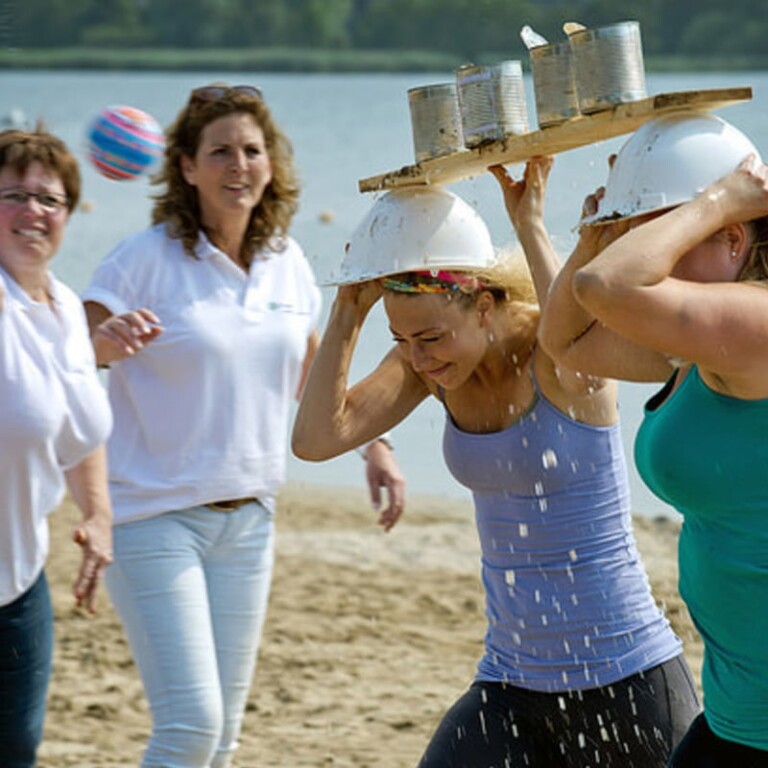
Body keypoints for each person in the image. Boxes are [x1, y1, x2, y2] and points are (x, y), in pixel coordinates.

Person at [292, 165, 700, 767]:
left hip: (626, 672)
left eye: (429, 337)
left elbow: (580, 327)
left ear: (483, 306)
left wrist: (530, 224)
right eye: (401, 340)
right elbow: (318, 439)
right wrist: (350, 310)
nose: (417, 357)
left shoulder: (560, 358)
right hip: (512, 682)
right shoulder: (430, 367)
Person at [81, 84, 404, 768]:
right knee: (190, 727)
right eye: (220, 150)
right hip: (152, 520)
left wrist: (373, 444)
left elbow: (311, 374)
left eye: (252, 150)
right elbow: (65, 353)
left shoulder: (285, 260)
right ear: (187, 167)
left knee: (223, 739)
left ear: (271, 163)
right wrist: (101, 345)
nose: (239, 164)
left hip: (249, 521)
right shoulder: (142, 259)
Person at [539, 111, 768, 767]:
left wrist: (718, 197)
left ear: (730, 238)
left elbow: (604, 288)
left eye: (669, 233)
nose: (653, 253)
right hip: (739, 708)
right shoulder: (700, 348)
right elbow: (568, 344)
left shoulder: (756, 324)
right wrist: (600, 233)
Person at [0, 127, 113, 767]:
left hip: (18, 581)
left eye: (49, 199)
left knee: (17, 751)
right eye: (13, 194)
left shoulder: (67, 307)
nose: (33, 211)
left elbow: (79, 433)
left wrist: (96, 515)